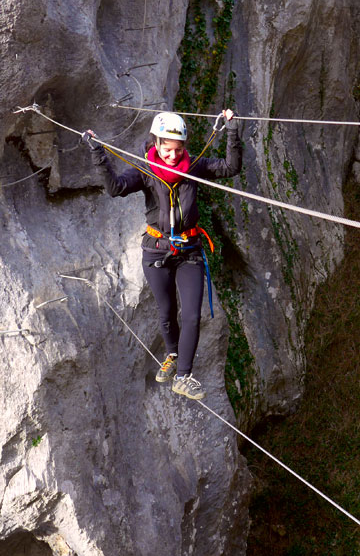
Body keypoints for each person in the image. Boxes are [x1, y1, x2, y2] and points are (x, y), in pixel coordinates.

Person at [82, 109, 242, 400]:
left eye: (178, 150)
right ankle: (171, 354)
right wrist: (98, 154)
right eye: (167, 149)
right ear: (156, 143)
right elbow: (115, 188)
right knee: (167, 312)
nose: (172, 155)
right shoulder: (145, 170)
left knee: (193, 314)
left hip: (189, 251)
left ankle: (183, 376)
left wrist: (231, 130)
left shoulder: (193, 165)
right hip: (155, 251)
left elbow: (231, 167)